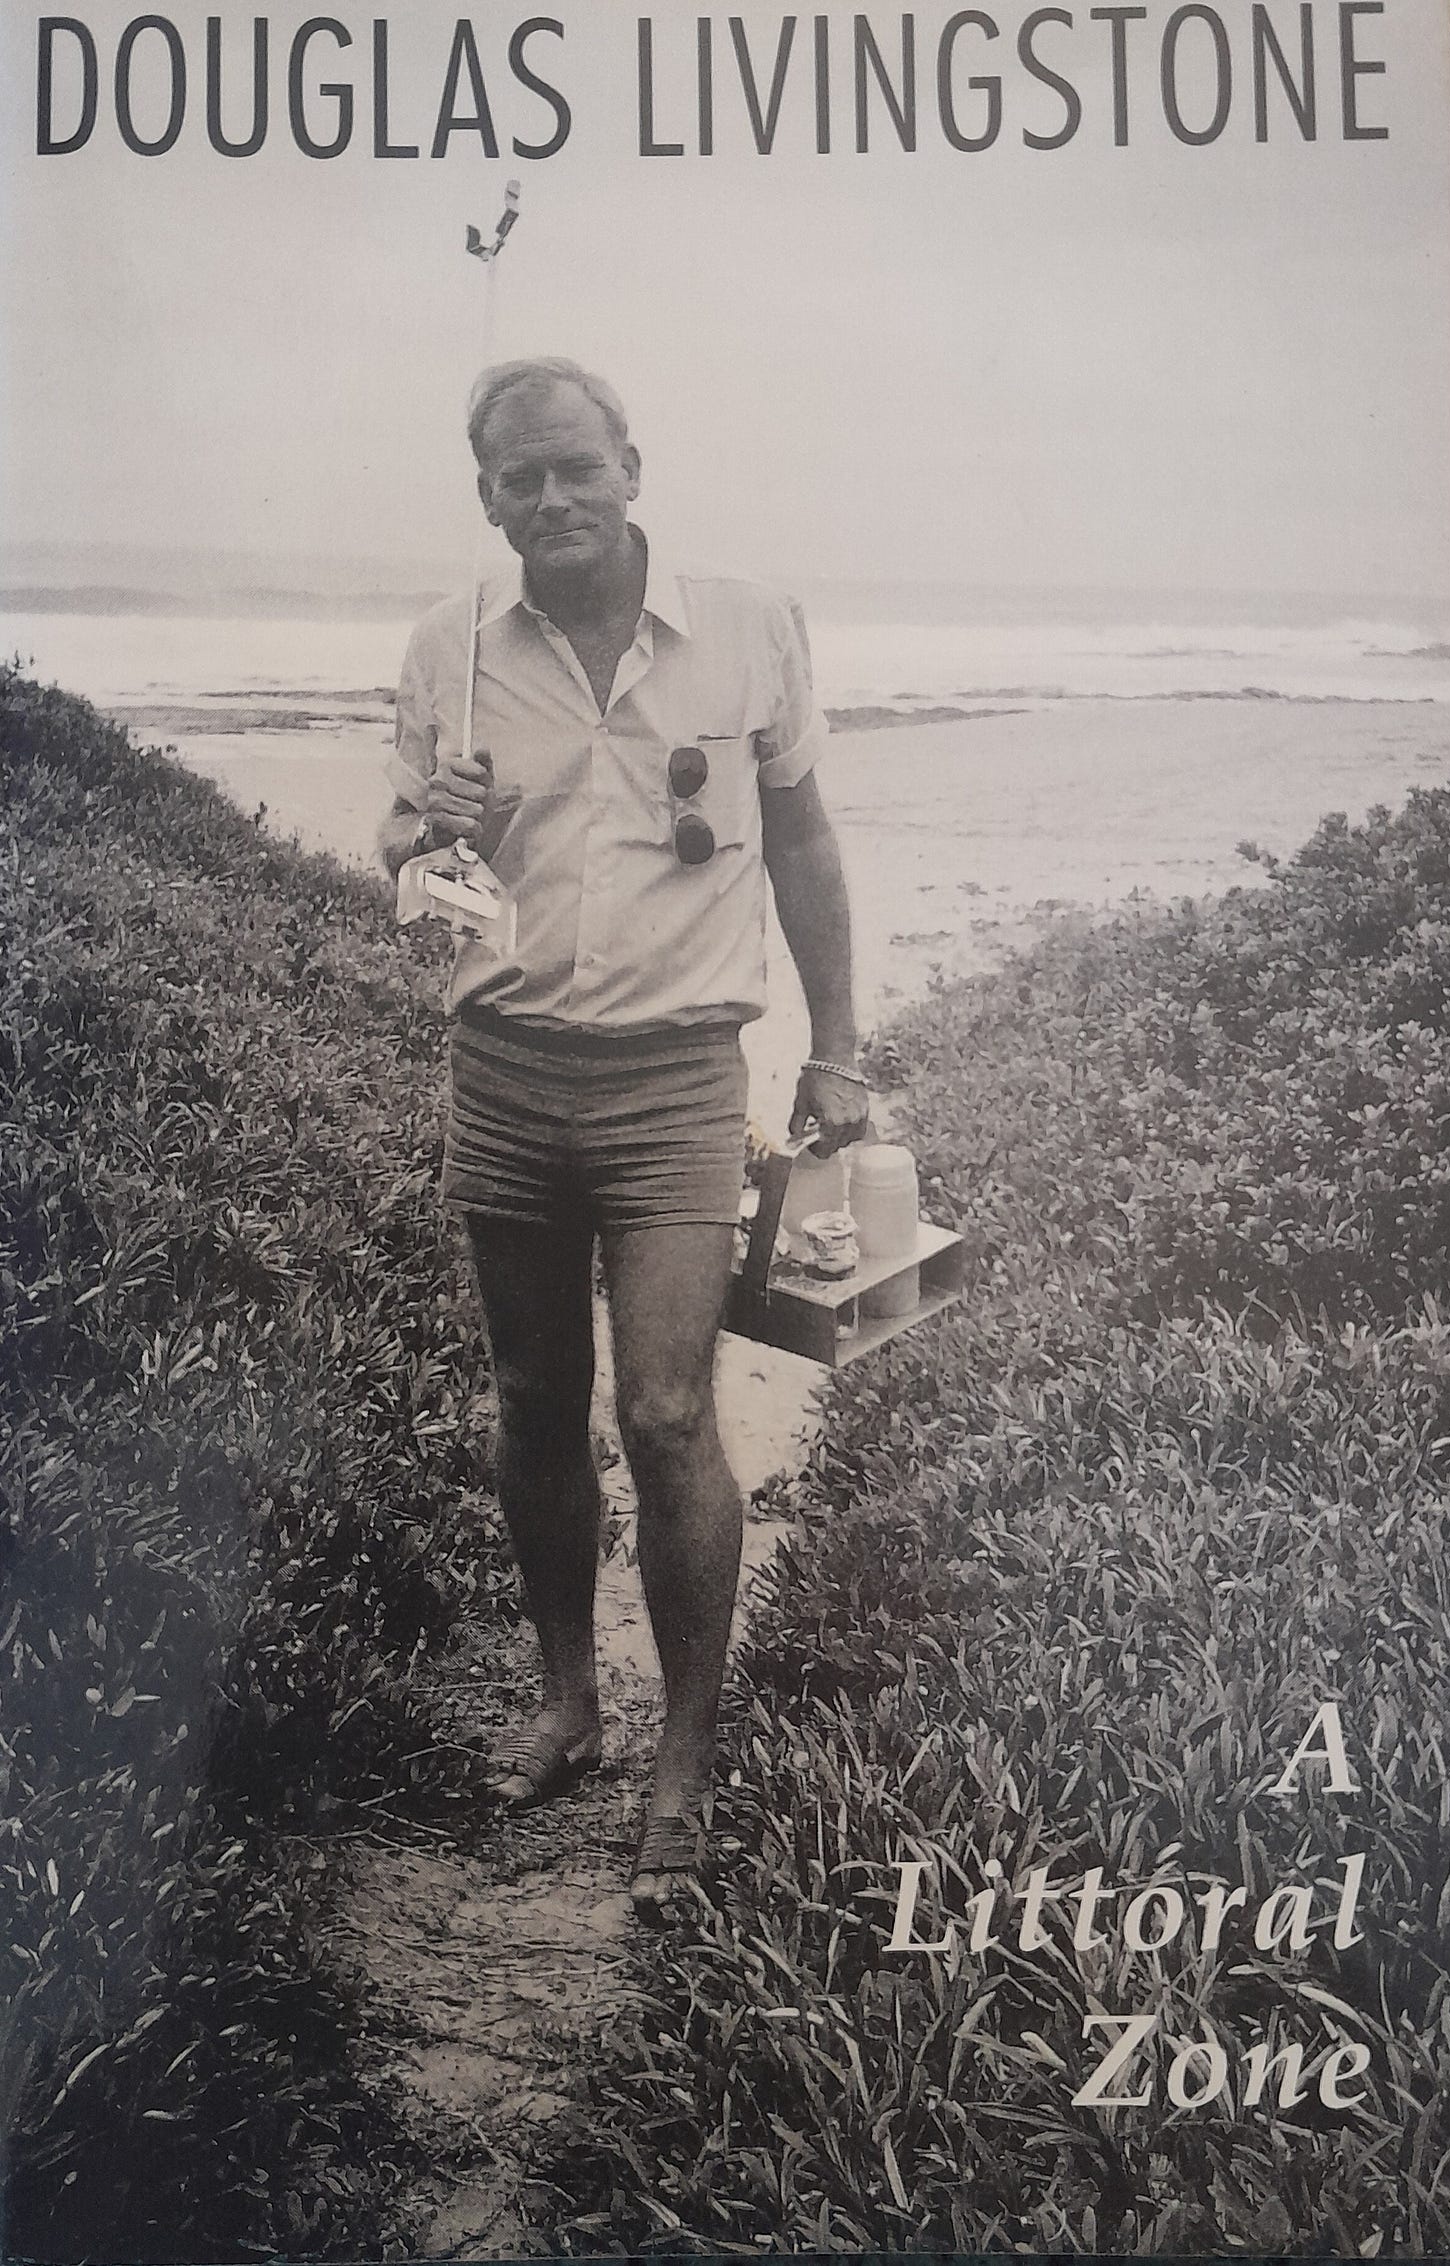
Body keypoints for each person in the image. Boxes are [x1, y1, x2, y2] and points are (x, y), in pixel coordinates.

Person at [380, 357, 868, 1912]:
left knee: (664, 1412)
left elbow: (802, 839)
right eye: (519, 479)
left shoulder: (749, 628)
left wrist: (838, 1048)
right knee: (535, 1401)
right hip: (506, 1073)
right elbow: (411, 879)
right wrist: (434, 832)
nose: (552, 498)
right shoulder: (449, 649)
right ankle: (567, 1702)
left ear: (631, 468)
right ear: (488, 499)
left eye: (575, 468)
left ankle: (687, 1761)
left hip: (676, 1083)